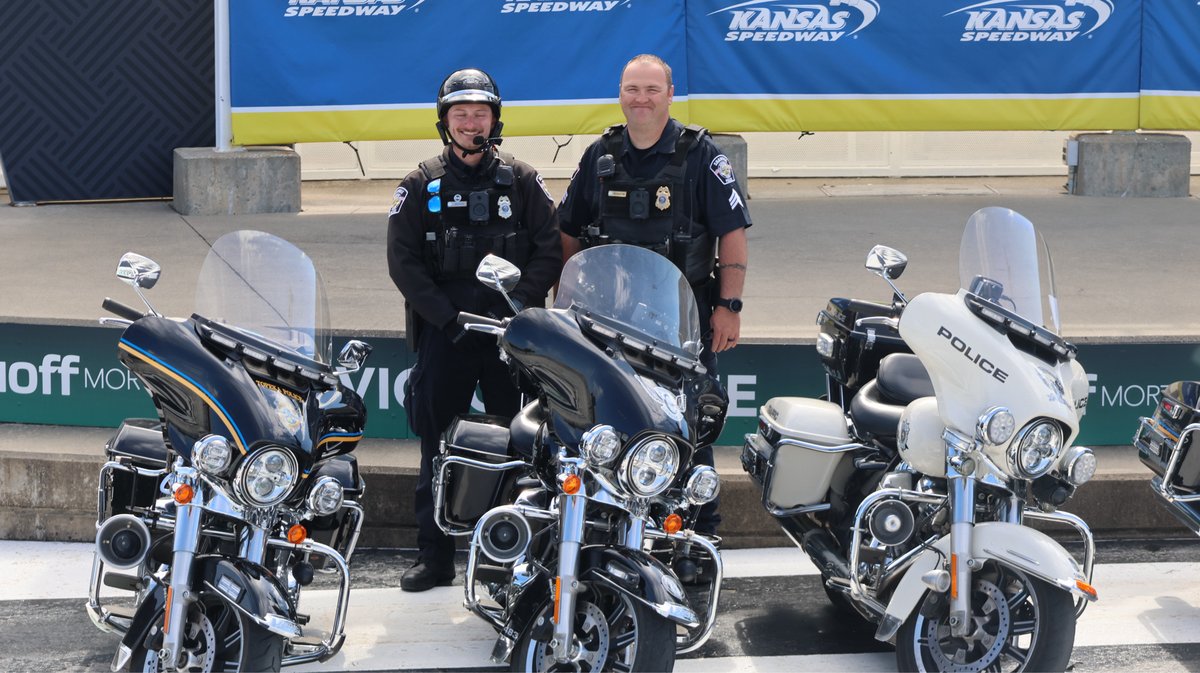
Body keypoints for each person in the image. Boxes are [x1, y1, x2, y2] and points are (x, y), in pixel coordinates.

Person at [558, 54, 751, 541]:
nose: (640, 99)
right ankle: (609, 526)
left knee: (686, 422)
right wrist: (565, 295)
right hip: (609, 318)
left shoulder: (703, 156)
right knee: (608, 417)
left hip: (681, 317)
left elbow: (732, 235)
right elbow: (567, 230)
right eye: (631, 89)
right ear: (620, 94)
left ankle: (697, 533)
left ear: (669, 95)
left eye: (650, 90)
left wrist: (729, 307)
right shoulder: (599, 156)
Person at [387, 68, 562, 592]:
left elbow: (549, 250)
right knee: (435, 445)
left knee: (523, 443)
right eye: (460, 115)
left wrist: (521, 308)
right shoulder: (420, 184)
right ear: (445, 123)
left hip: (511, 336)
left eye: (479, 114)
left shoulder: (525, 181)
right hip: (449, 333)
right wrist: (446, 317)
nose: (470, 123)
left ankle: (515, 557)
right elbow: (404, 263)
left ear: (495, 119)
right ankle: (434, 556)